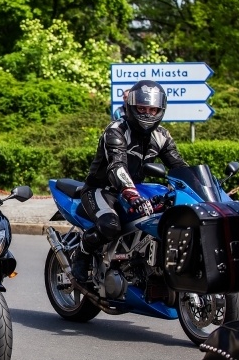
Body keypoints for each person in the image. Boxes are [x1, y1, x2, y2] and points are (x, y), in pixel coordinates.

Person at [71, 79, 188, 285]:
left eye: (152, 110)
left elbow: (179, 166)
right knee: (110, 225)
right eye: (142, 108)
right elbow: (117, 166)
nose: (147, 114)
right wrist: (131, 193)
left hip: (135, 190)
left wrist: (201, 188)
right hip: (102, 190)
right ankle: (82, 253)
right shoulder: (115, 130)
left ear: (160, 110)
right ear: (131, 107)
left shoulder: (162, 136)